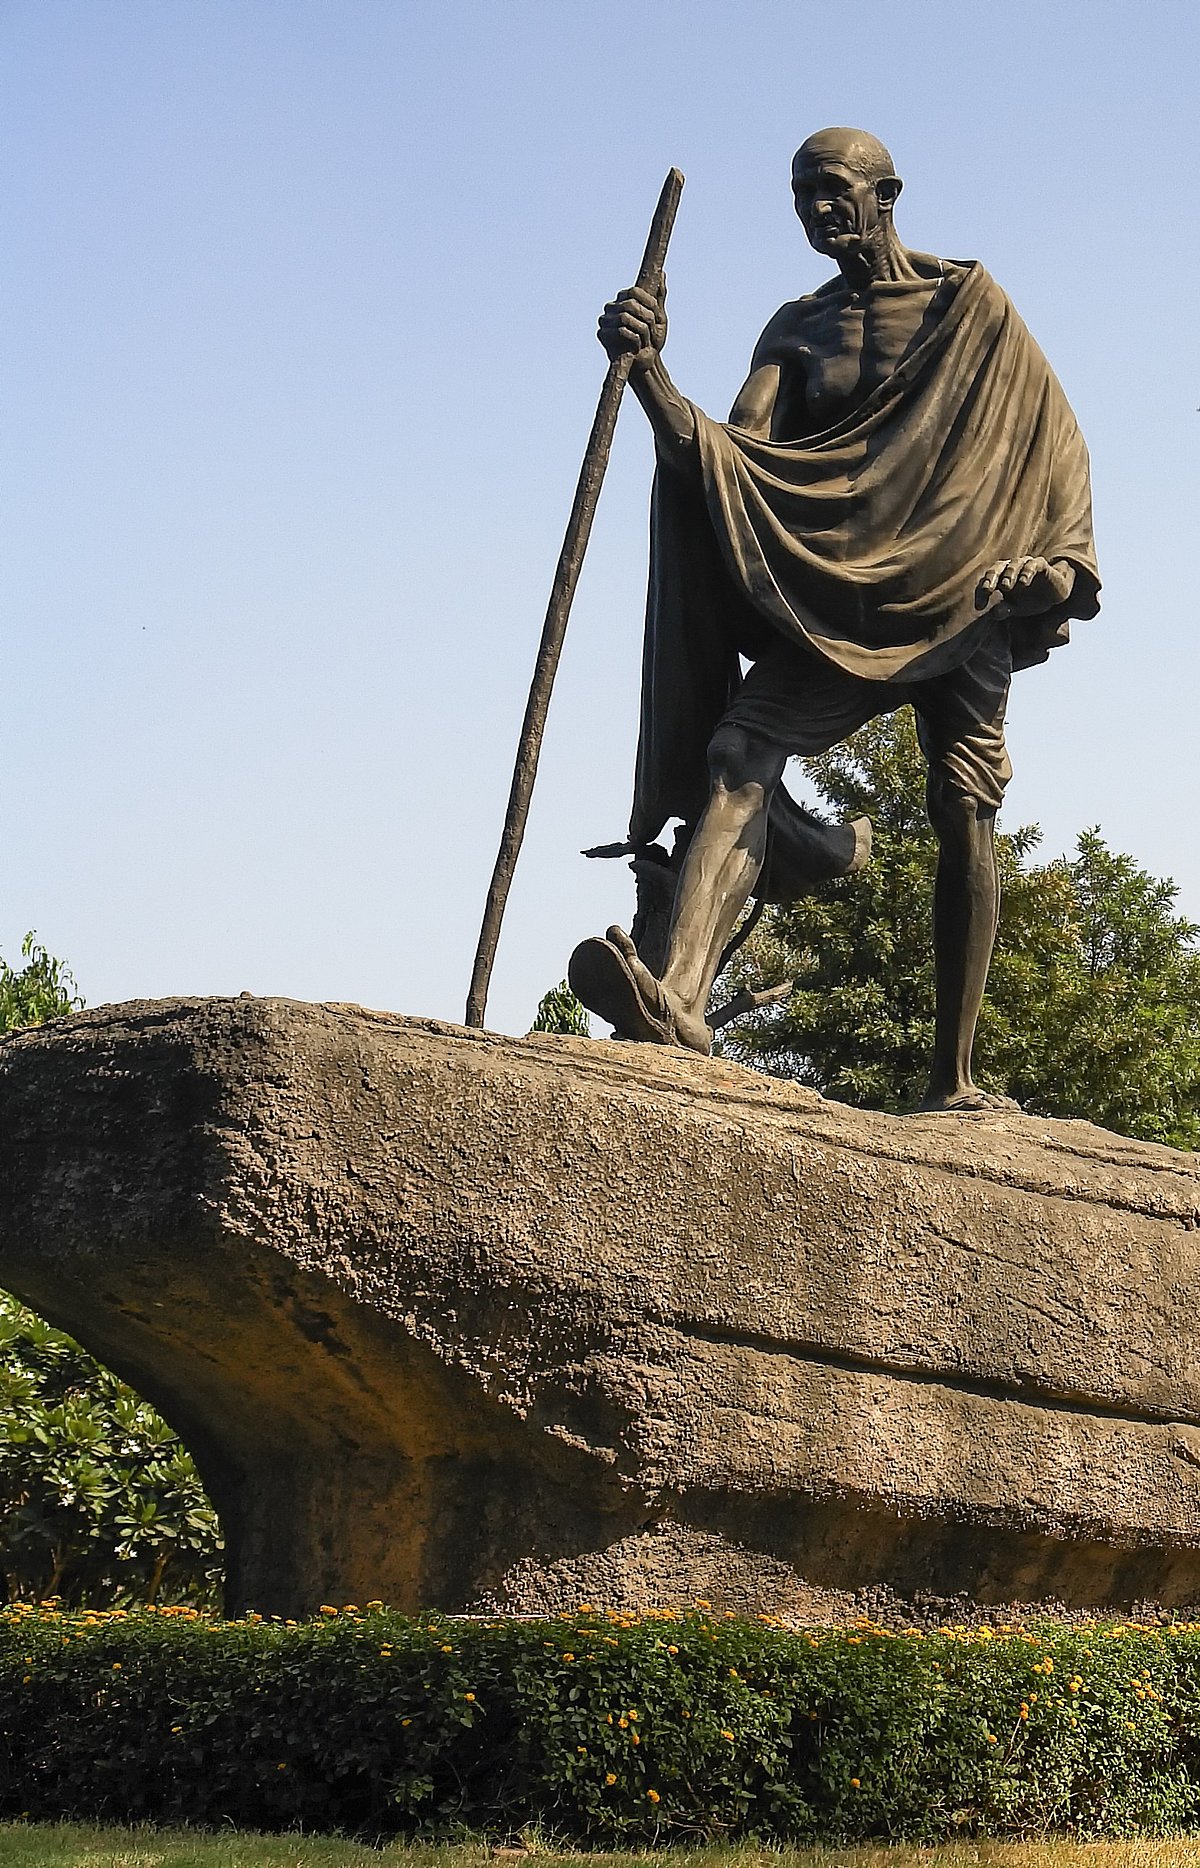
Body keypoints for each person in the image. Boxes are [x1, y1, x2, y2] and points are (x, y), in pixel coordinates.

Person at [568, 127, 1100, 1111]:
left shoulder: (971, 311)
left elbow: (1056, 456)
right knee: (737, 749)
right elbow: (726, 461)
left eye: (834, 188)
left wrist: (1055, 572)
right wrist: (650, 375)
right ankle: (679, 998)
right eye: (801, 193)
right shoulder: (798, 330)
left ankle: (954, 1078)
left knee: (963, 812)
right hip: (839, 601)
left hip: (964, 597)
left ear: (887, 192)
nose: (816, 207)